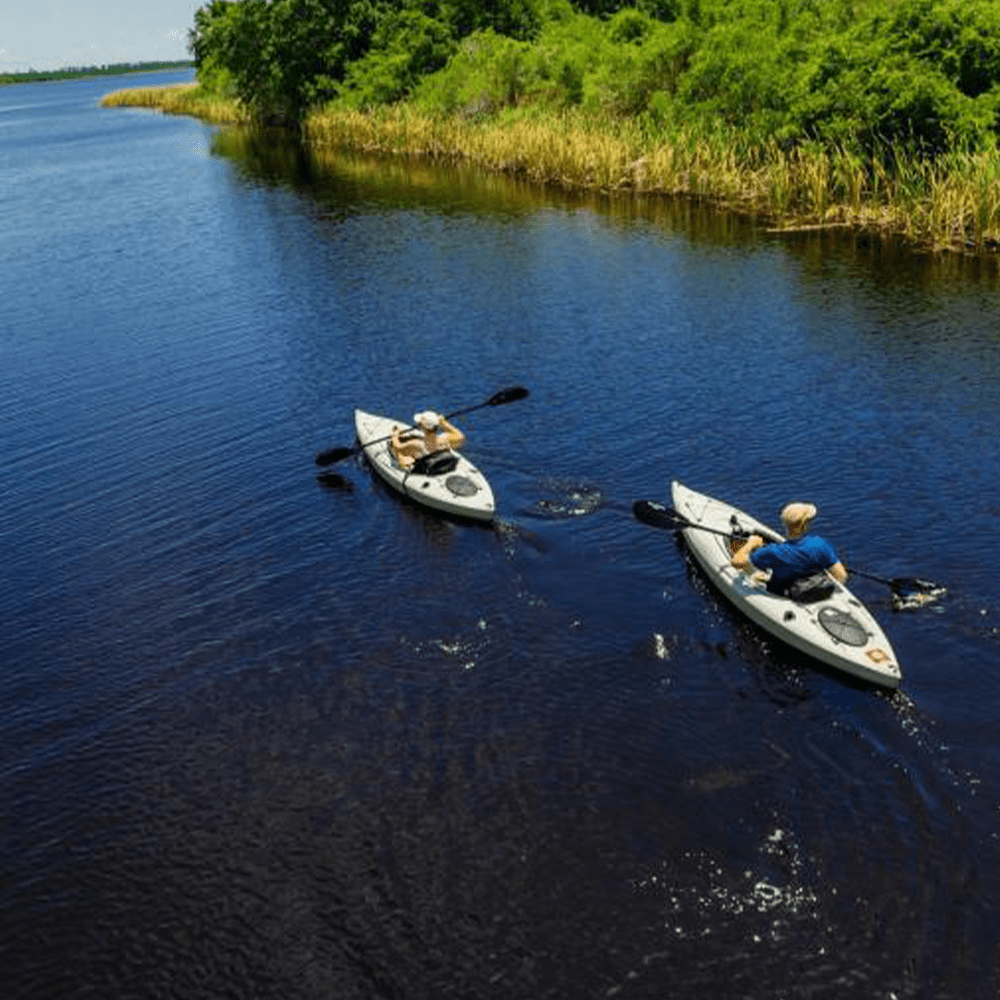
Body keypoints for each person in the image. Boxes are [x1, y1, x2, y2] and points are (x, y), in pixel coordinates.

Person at [730, 501, 848, 594]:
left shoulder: (772, 552)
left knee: (756, 573)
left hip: (784, 592)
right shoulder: (821, 545)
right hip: (813, 590)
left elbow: (737, 562)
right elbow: (841, 577)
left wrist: (751, 543)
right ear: (805, 525)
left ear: (784, 523)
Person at [390, 410, 466, 470]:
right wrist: (443, 423)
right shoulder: (445, 439)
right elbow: (460, 436)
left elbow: (398, 446)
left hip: (426, 466)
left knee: (399, 453)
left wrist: (395, 435)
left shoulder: (416, 444)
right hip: (440, 463)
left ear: (422, 426)